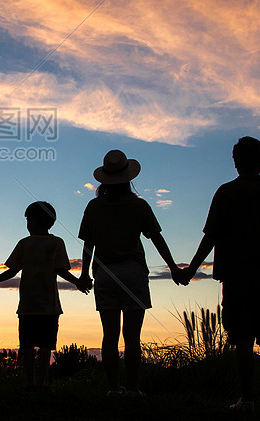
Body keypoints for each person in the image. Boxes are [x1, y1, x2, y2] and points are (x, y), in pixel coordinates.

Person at [180, 136, 260, 411]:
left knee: (242, 338)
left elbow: (211, 237)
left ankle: (247, 398)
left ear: (236, 161)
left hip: (237, 279)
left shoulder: (226, 193)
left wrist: (191, 270)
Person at [77, 150, 182, 397]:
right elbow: (156, 238)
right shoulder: (139, 206)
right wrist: (174, 267)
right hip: (133, 273)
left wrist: (84, 274)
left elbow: (87, 245)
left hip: (105, 274)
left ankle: (114, 388)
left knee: (109, 335)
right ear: (127, 177)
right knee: (132, 337)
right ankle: (134, 388)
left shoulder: (93, 206)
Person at [0, 201, 89, 390]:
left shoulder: (24, 244)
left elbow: (13, 270)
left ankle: (30, 382)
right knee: (45, 346)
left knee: (26, 345)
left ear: (32, 221)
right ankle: (41, 383)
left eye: (28, 220)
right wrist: (77, 282)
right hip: (49, 306)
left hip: (27, 305)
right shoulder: (57, 243)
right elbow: (61, 270)